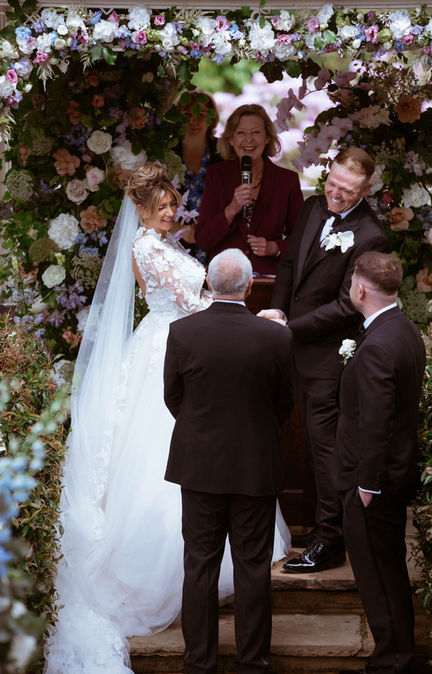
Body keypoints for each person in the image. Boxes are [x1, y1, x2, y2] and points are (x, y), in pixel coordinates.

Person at [44, 164, 291, 674]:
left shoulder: (167, 242)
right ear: (139, 208)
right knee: (161, 449)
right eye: (160, 208)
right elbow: (193, 303)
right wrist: (252, 319)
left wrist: (239, 317)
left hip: (192, 340)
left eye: (172, 205)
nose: (169, 213)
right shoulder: (145, 248)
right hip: (173, 343)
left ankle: (208, 651)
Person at [164, 248, 295, 674]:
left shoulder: (182, 332)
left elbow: (174, 398)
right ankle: (252, 663)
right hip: (254, 466)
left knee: (199, 565)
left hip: (200, 467)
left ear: (208, 282)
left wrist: (202, 433)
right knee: (253, 566)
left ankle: (198, 663)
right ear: (250, 286)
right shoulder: (276, 337)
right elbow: (284, 402)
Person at [259, 147, 389, 573]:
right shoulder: (313, 207)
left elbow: (347, 306)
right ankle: (288, 527)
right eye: (332, 183)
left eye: (346, 191)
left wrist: (289, 328)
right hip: (288, 342)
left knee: (324, 450)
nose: (335, 193)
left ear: (364, 191)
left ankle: (330, 539)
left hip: (327, 357)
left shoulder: (370, 236)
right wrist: (277, 311)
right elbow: (289, 266)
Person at [333, 251, 426, 674]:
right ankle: (397, 655)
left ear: (360, 288)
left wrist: (366, 486)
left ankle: (392, 661)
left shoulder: (378, 345)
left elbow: (376, 422)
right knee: (389, 572)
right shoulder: (404, 329)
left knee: (377, 577)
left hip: (374, 483)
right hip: (396, 472)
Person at [195, 103, 303, 275]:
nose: (249, 139)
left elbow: (301, 238)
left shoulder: (287, 180)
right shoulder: (217, 175)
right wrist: (231, 209)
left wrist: (274, 247)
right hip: (224, 278)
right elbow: (203, 240)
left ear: (267, 137)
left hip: (267, 278)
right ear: (231, 140)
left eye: (256, 132)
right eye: (241, 133)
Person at [173, 89, 221, 261]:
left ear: (211, 118)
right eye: (187, 114)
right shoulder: (168, 153)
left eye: (201, 115)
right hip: (174, 246)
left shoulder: (223, 152)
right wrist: (177, 229)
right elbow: (151, 206)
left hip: (217, 244)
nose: (193, 121)